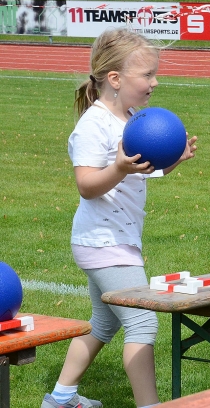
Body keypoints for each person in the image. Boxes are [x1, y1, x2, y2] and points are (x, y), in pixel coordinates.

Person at [41, 28, 197, 408]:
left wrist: (171, 162)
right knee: (143, 322)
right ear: (115, 79)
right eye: (146, 75)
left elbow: (139, 169)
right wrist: (119, 169)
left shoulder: (131, 118)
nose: (154, 83)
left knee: (105, 322)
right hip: (103, 243)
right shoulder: (93, 126)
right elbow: (87, 185)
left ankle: (60, 398)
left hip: (117, 239)